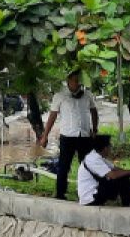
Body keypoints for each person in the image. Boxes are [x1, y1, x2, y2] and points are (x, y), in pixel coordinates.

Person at [38, 71, 99, 200]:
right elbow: (52, 116)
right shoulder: (60, 96)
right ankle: (60, 194)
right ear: (68, 81)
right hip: (68, 136)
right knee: (64, 166)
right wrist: (45, 136)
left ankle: (88, 192)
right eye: (75, 80)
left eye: (79, 80)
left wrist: (95, 129)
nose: (78, 83)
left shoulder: (87, 95)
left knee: (87, 165)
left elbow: (94, 112)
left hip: (85, 136)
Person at [77, 134, 130, 207]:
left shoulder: (96, 155)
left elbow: (115, 168)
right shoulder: (93, 159)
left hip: (95, 192)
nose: (110, 149)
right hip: (90, 198)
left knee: (123, 175)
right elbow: (113, 175)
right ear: (105, 148)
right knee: (122, 178)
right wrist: (129, 172)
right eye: (110, 146)